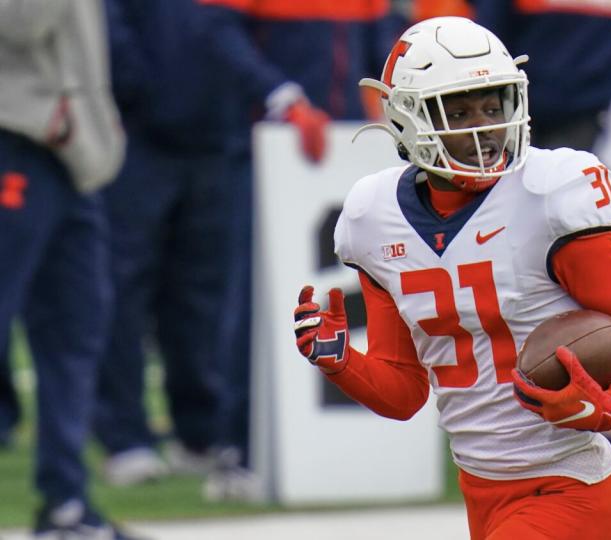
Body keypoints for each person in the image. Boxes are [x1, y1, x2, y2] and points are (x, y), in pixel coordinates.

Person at [294, 17, 611, 539]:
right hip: (482, 493)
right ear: (408, 119)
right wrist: (342, 362)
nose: (482, 128)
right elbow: (405, 393)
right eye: (456, 112)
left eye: (490, 106)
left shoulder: (546, 196)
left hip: (569, 489)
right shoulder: (374, 218)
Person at [193, 0, 407, 498]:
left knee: (366, 290)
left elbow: (382, 46)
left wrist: (393, 112)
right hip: (269, 145)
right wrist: (279, 96)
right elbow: (218, 35)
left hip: (348, 145)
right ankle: (238, 443)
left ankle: (357, 445)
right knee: (257, 297)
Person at [473, 0, 611, 473]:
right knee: (517, 276)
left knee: (609, 286)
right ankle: (514, 416)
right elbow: (484, 46)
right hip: (524, 128)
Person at [91, 0, 247, 487]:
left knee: (201, 294)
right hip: (139, 141)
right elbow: (109, 29)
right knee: (123, 289)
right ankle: (125, 438)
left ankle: (198, 431)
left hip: (215, 138)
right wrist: (140, 94)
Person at [0, 1, 139, 537]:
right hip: (16, 139)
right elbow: (19, 23)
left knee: (77, 329)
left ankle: (66, 504)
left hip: (67, 154)